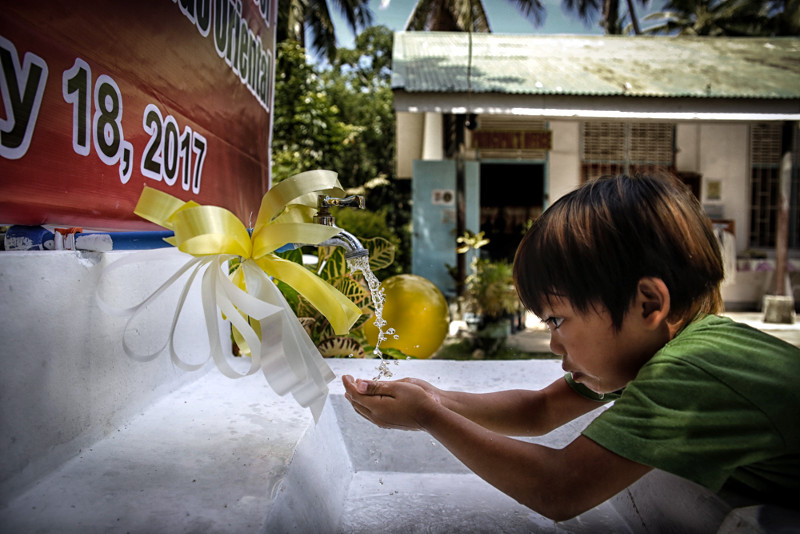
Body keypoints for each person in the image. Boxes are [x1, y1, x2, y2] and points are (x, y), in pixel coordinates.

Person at [342, 172, 800, 520]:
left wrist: (427, 416)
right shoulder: (654, 350)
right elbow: (538, 411)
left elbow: (559, 489)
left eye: (558, 319)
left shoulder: (691, 370)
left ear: (647, 304)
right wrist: (436, 396)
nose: (554, 342)